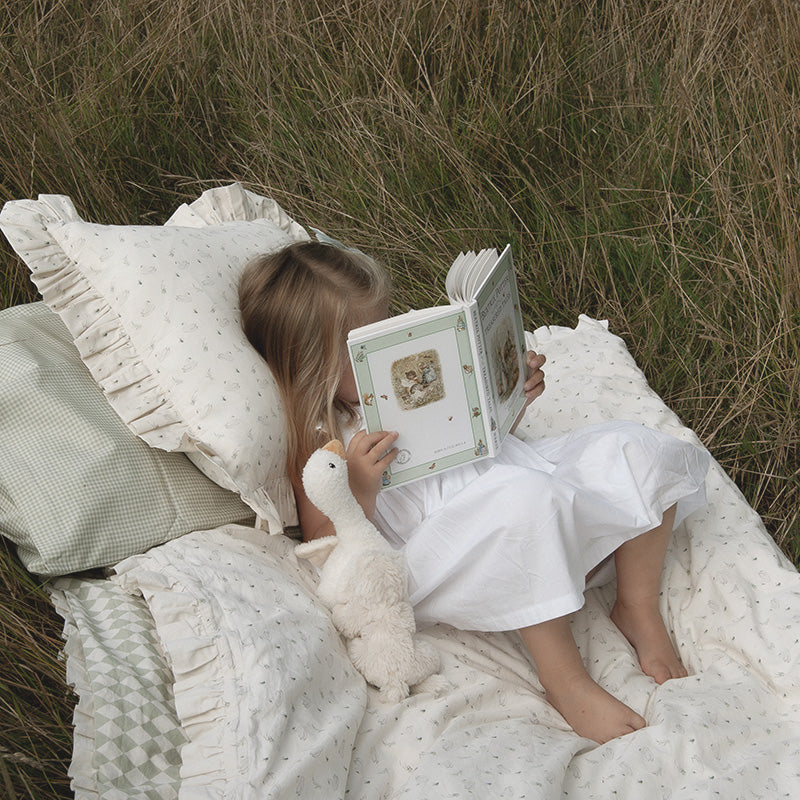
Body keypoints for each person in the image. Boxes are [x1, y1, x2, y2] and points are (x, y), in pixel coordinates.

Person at [238, 240, 710, 744]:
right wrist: (359, 488)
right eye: (363, 347)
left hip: (517, 478)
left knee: (634, 448)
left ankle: (634, 605)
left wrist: (509, 396)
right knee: (523, 504)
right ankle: (566, 682)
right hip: (445, 548)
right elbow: (326, 543)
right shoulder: (320, 439)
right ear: (312, 363)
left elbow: (478, 437)